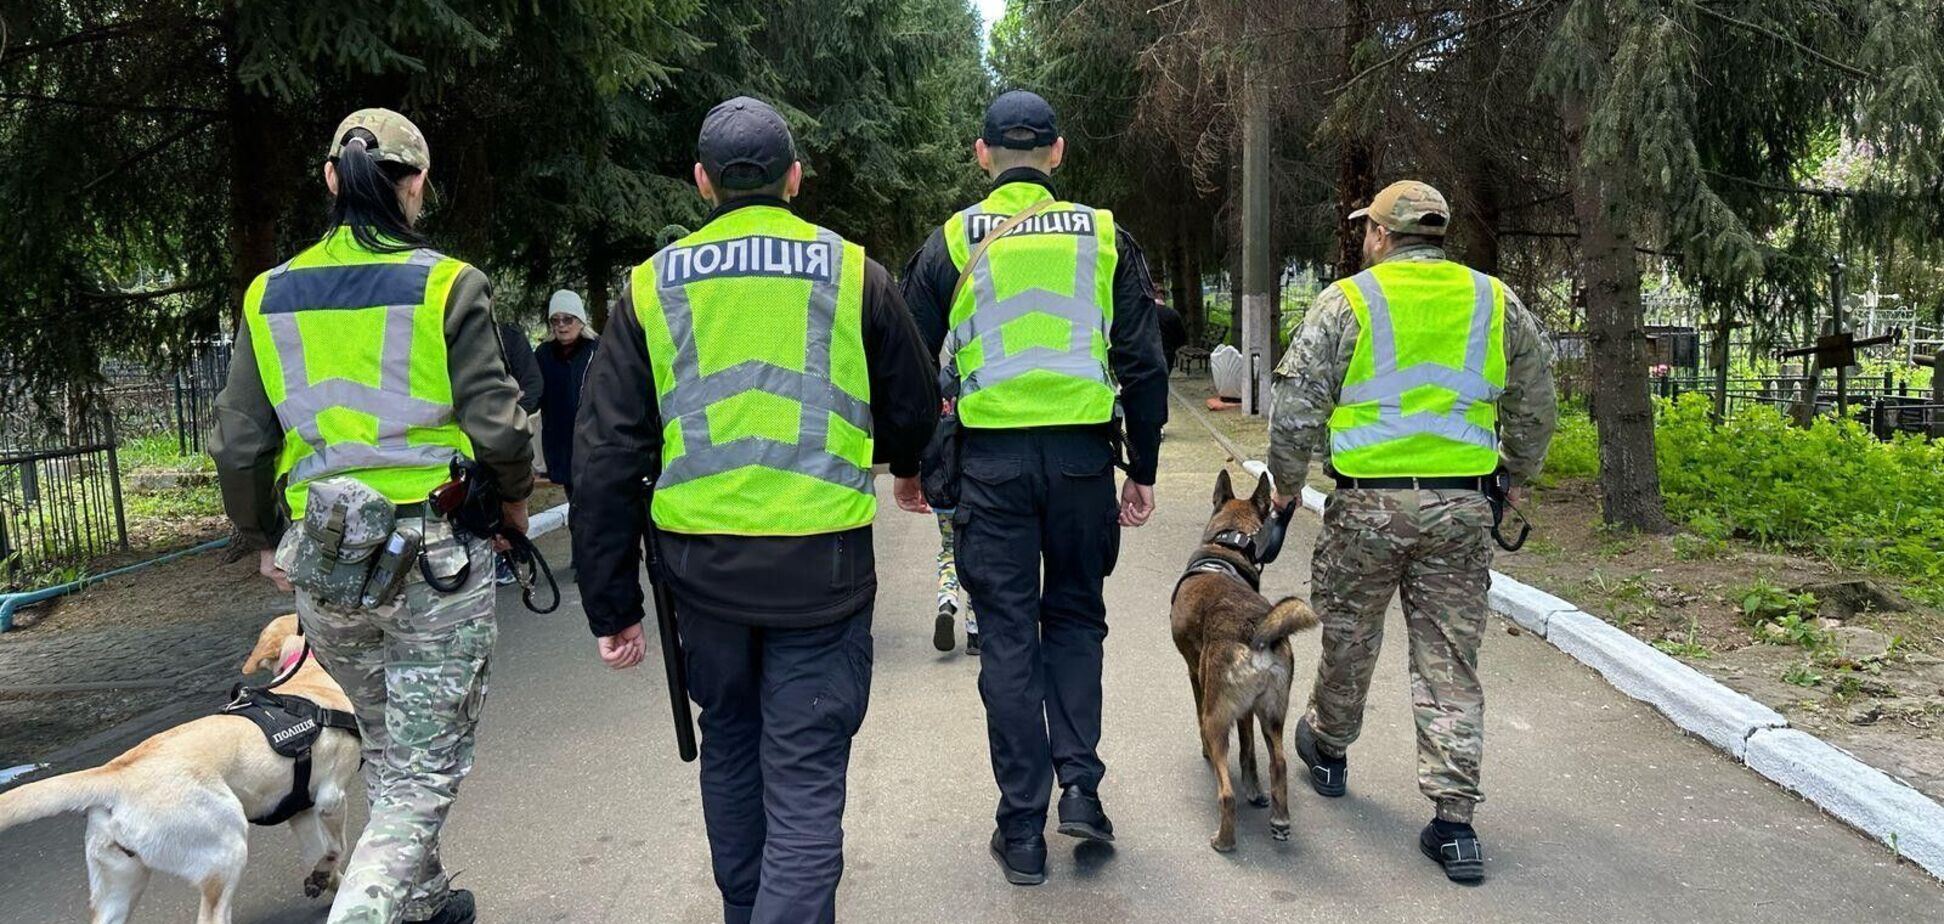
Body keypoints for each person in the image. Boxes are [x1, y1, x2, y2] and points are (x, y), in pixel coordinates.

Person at [570, 96, 936, 924]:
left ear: (702, 183)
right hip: (824, 570)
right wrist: (908, 471)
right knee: (804, 778)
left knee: (730, 749)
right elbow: (914, 404)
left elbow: (602, 459)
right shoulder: (854, 273)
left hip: (703, 579)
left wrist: (612, 604)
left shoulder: (649, 288)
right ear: (795, 178)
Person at [210, 108, 532, 924]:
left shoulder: (267, 294)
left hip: (326, 568)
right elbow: (498, 425)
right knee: (425, 769)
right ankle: (367, 910)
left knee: (388, 742)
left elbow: (241, 441)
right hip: (434, 559)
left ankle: (419, 901)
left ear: (329, 179)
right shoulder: (446, 283)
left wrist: (261, 538)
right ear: (414, 183)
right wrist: (517, 503)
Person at [899, 89, 1169, 886]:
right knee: (1078, 620)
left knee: (1010, 637)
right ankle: (1081, 787)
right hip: (1084, 465)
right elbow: (1144, 360)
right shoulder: (1104, 234)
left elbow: (912, 368)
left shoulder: (953, 240)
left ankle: (1021, 830)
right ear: (1058, 153)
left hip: (992, 471)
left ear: (982, 156)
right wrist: (1144, 469)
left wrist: (911, 465)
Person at [1265, 179, 1556, 885]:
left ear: (1381, 235)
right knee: (1449, 661)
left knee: (1348, 636)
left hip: (1366, 508)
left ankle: (1329, 752)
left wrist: (1282, 484)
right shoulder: (1493, 301)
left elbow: (1298, 404)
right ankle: (1454, 824)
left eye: (1367, 228)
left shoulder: (1348, 301)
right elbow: (1537, 395)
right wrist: (1516, 474)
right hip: (1460, 512)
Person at [537, 289, 597, 499]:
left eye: (567, 319)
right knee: (576, 506)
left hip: (595, 443)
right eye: (555, 320)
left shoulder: (598, 350)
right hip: (562, 444)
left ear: (580, 320)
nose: (561, 325)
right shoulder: (543, 354)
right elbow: (535, 393)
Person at [496, 319, 544, 585]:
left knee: (511, 501)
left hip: (507, 437)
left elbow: (533, 385)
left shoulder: (509, 336)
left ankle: (512, 557)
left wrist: (511, 415)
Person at [1153, 287, 1187, 374]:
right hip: (1167, 353)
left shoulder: (1145, 313)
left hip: (1148, 353)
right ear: (1164, 297)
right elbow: (1182, 338)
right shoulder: (1173, 314)